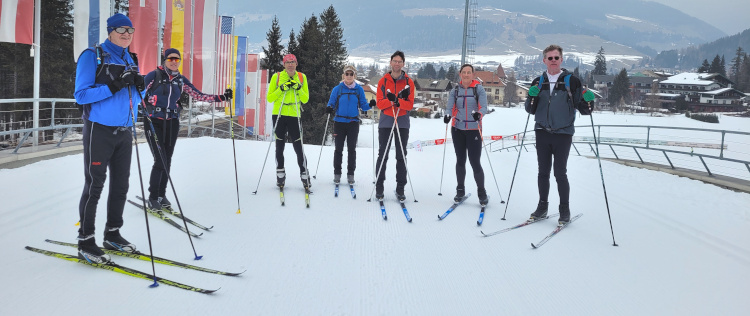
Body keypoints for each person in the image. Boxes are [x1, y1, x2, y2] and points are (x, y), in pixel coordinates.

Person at [73, 13, 144, 263]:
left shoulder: (130, 58)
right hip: (99, 130)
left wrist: (140, 87)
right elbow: (81, 96)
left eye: (130, 30)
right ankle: (86, 240)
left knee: (121, 186)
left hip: (124, 132)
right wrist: (113, 85)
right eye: (120, 29)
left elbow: (134, 99)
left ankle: (112, 233)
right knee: (95, 185)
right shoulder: (93, 56)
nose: (126, 34)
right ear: (110, 31)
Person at [141, 48, 233, 210]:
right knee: (160, 159)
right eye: (171, 58)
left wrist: (223, 97)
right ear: (165, 59)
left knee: (167, 160)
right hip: (154, 121)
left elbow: (199, 96)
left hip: (172, 122)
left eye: (177, 59)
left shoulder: (180, 80)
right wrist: (141, 109)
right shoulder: (153, 76)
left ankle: (161, 195)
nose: (174, 62)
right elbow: (138, 93)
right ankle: (152, 197)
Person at [524, 44, 595, 225]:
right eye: (550, 58)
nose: (553, 61)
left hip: (563, 133)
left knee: (559, 173)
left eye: (556, 57)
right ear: (544, 60)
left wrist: (590, 101)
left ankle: (564, 209)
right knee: (543, 172)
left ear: (562, 59)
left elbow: (585, 110)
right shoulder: (538, 82)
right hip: (542, 131)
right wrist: (531, 96)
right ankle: (542, 207)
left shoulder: (572, 81)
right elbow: (530, 109)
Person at [443, 64, 488, 205]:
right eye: (464, 72)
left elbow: (484, 107)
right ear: (460, 74)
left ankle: (482, 192)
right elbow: (450, 107)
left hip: (474, 129)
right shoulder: (455, 90)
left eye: (469, 72)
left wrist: (479, 115)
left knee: (475, 162)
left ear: (473, 74)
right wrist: (447, 115)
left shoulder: (478, 89)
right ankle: (460, 190)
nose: (466, 75)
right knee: (460, 160)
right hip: (458, 129)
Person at [374, 51, 415, 201]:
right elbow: (379, 103)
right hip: (386, 122)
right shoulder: (383, 81)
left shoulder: (409, 82)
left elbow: (409, 105)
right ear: (390, 62)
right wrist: (391, 102)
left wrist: (398, 102)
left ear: (403, 64)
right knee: (383, 155)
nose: (397, 64)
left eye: (400, 61)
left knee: (401, 156)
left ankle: (400, 188)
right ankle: (379, 187)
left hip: (402, 122)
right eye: (394, 61)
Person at [266, 54, 310, 189]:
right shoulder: (277, 77)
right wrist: (281, 89)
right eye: (288, 62)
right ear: (284, 65)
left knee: (298, 146)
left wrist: (298, 88)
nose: (290, 65)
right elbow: (269, 98)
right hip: (279, 114)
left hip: (294, 114)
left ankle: (304, 174)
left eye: (293, 62)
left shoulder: (302, 77)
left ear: (296, 64)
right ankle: (280, 174)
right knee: (279, 146)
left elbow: (305, 99)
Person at [326, 65, 374, 185]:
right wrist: (329, 108)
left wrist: (371, 104)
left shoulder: (359, 90)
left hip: (353, 123)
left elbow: (363, 106)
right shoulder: (337, 89)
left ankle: (350, 174)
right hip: (339, 122)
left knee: (352, 150)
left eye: (351, 74)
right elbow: (331, 102)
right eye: (346, 74)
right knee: (338, 149)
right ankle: (337, 173)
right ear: (343, 75)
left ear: (354, 76)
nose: (348, 76)